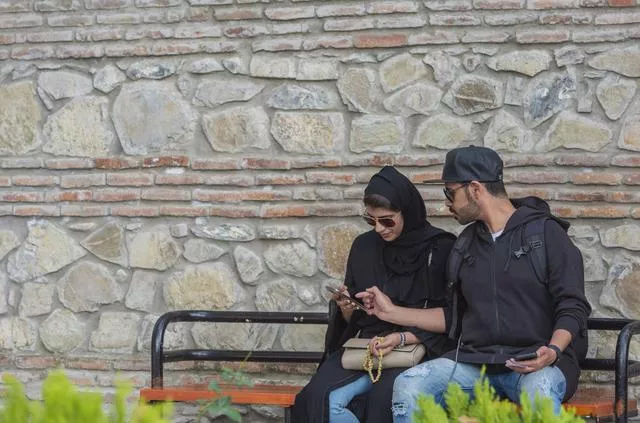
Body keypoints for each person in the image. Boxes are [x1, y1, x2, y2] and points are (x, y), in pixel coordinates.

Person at [357, 146, 591, 421]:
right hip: (475, 364)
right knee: (409, 384)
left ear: (475, 189)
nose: (447, 203)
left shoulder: (546, 235)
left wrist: (552, 351)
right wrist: (391, 312)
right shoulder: (465, 245)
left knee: (539, 393)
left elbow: (572, 305)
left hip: (535, 365)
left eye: (450, 192)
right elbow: (455, 316)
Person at [291, 166, 456, 423]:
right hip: (368, 348)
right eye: (371, 220)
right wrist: (348, 307)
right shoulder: (364, 246)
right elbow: (355, 320)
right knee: (316, 399)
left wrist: (402, 336)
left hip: (416, 347)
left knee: (384, 401)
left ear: (407, 212)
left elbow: (453, 317)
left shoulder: (440, 248)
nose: (379, 228)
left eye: (387, 220)